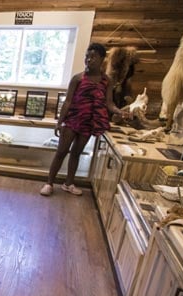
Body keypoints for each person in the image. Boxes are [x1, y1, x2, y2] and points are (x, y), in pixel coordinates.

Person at [40, 43, 129, 197]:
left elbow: (109, 103)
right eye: (87, 57)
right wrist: (59, 122)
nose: (89, 60)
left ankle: (68, 184)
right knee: (61, 151)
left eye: (93, 57)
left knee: (76, 153)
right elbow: (67, 102)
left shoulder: (107, 81)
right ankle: (49, 183)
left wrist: (119, 112)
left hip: (90, 123)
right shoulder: (78, 78)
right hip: (72, 121)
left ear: (102, 59)